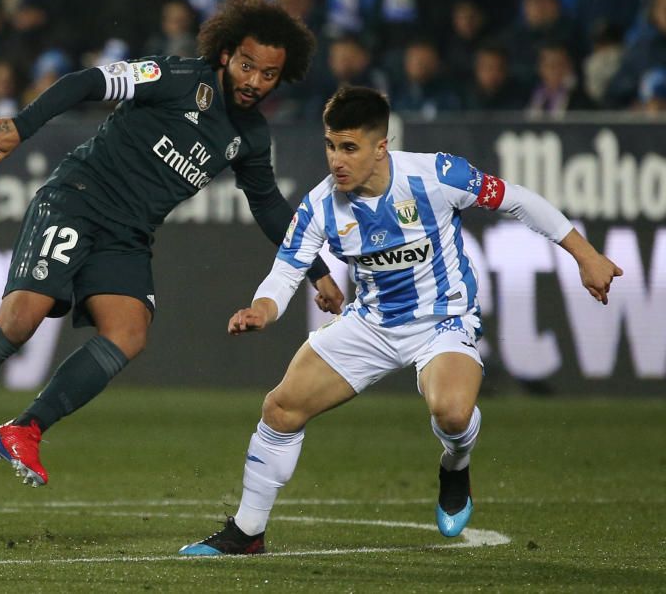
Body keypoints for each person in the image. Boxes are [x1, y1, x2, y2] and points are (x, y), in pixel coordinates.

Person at [0, 0, 344, 508]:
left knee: (129, 333)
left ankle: (25, 429)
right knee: (21, 319)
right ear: (225, 54)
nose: (254, 81)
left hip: (128, 233)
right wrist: (23, 125)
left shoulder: (249, 135)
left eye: (268, 74)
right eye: (247, 65)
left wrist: (315, 270)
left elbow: (268, 207)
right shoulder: (177, 77)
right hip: (78, 199)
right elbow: (88, 81)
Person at [178, 86, 622, 555]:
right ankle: (248, 532)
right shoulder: (320, 205)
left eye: (349, 148)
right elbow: (286, 271)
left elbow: (519, 200)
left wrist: (585, 254)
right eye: (330, 146)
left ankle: (455, 464)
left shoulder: (436, 175)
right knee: (281, 408)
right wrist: (262, 310)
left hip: (443, 321)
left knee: (451, 413)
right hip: (371, 324)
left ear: (381, 146)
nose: (337, 161)